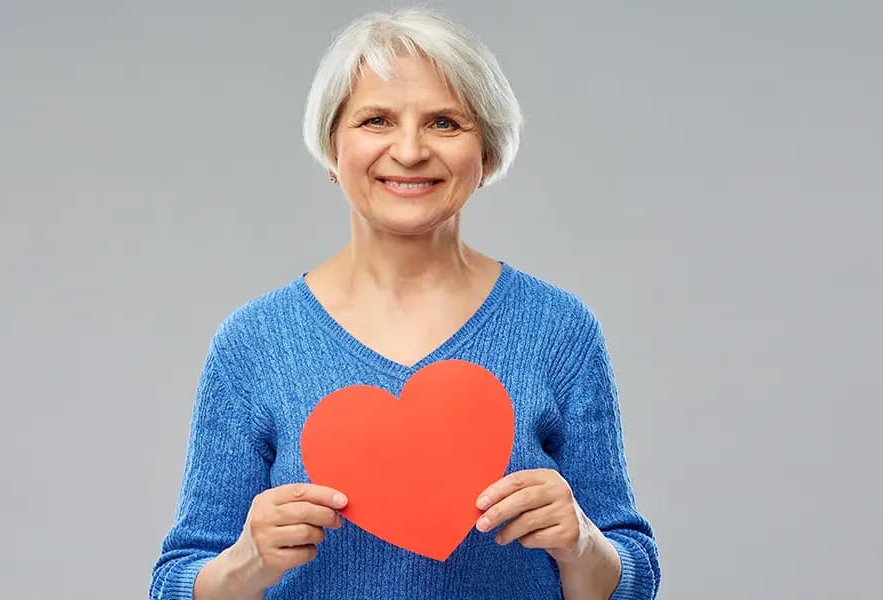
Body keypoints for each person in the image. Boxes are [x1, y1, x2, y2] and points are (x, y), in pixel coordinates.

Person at [149, 7, 660, 600]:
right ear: (332, 147)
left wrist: (583, 545)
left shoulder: (559, 329)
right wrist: (245, 563)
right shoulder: (253, 342)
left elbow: (634, 577)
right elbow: (175, 583)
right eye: (376, 120)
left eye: (445, 122)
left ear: (486, 153)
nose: (410, 151)